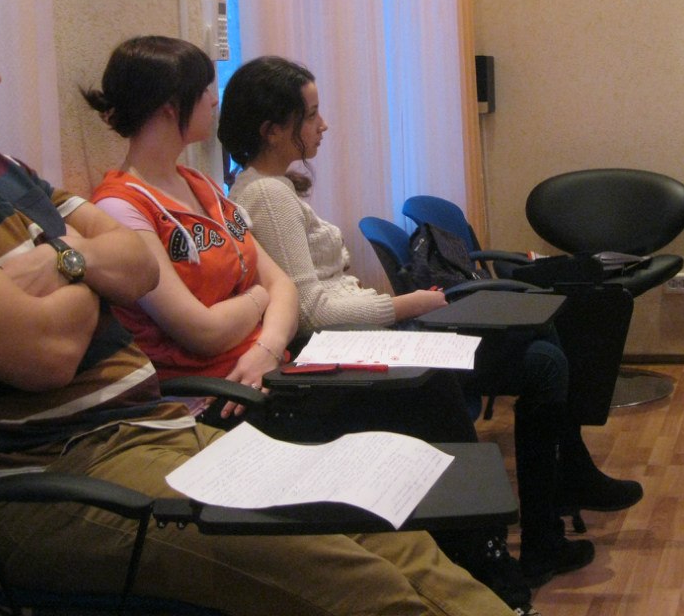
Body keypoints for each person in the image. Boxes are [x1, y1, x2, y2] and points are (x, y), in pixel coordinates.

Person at [0, 0, 514, 616]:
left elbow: (140, 264)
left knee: (395, 537)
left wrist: (62, 261)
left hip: (159, 428)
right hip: (69, 478)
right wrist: (87, 260)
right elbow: (50, 352)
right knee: (359, 582)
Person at [84, 38, 535, 613]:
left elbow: (285, 290)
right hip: (224, 401)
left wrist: (266, 339)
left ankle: (478, 568)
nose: (216, 103)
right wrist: (259, 303)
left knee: (429, 392)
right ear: (172, 107)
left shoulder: (200, 188)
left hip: (274, 372)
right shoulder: (122, 207)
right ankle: (487, 568)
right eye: (206, 92)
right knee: (425, 398)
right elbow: (202, 329)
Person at [217, 55, 644, 585]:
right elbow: (311, 313)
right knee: (542, 353)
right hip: (348, 353)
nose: (323, 125)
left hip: (366, 337)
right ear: (272, 130)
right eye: (311, 114)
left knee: (543, 353)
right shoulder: (266, 194)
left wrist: (400, 308)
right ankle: (550, 522)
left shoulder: (272, 187)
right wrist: (405, 305)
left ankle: (552, 520)